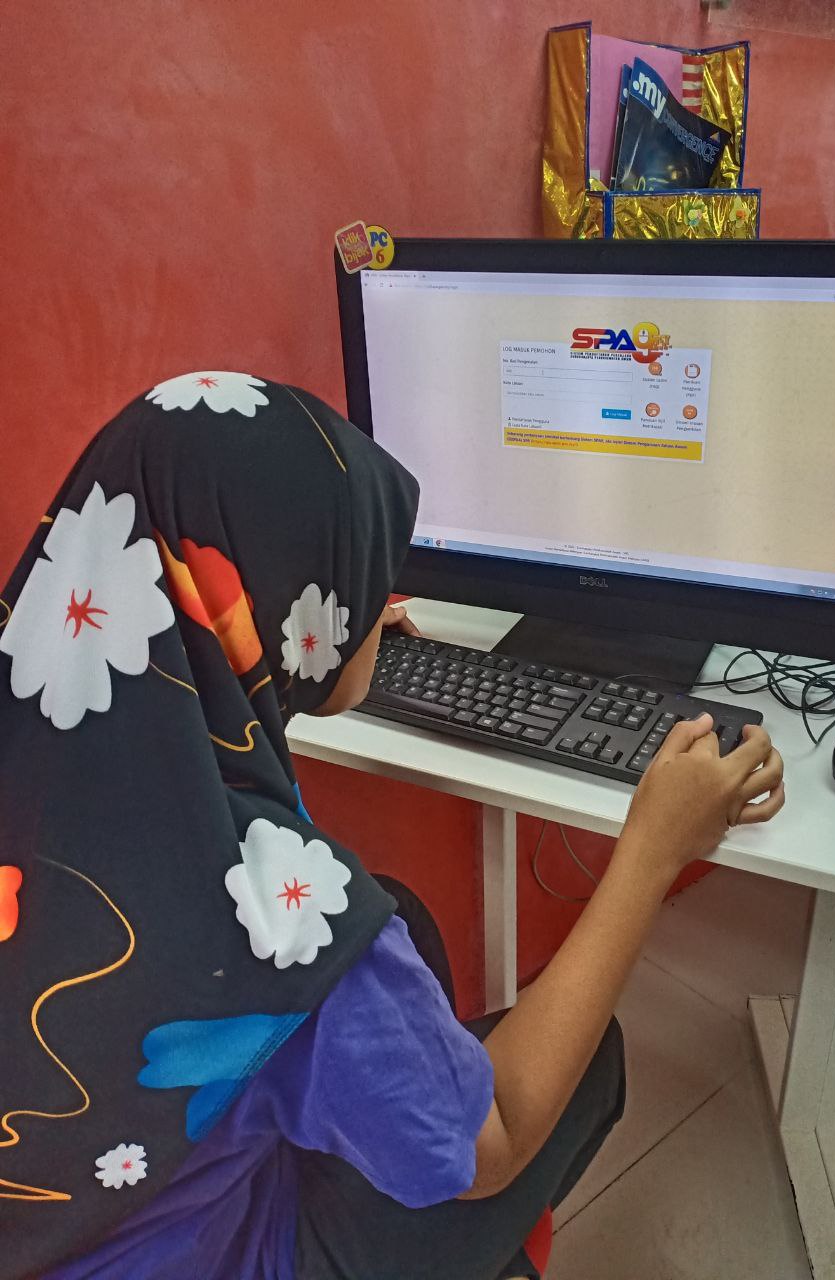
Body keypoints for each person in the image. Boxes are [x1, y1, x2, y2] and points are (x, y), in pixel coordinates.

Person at [0, 372, 784, 1280]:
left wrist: (339, 649)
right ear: (297, 619)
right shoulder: (283, 922)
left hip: (58, 1213)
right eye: (367, 584)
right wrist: (651, 851)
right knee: (587, 1061)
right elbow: (496, 1142)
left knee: (398, 912)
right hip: (213, 1259)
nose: (383, 601)